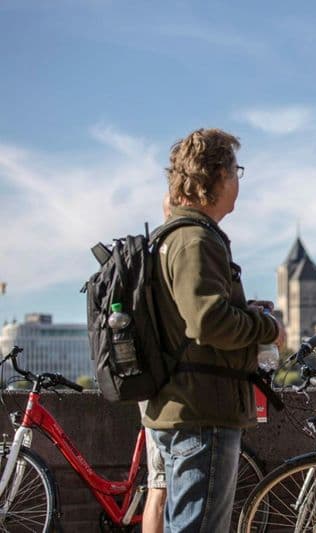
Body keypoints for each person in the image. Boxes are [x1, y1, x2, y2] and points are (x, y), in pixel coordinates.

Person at [142, 128, 285, 532]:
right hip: (203, 411)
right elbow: (207, 322)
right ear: (218, 175)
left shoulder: (174, 237)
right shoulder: (195, 239)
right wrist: (267, 327)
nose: (238, 181)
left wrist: (242, 311)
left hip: (186, 407)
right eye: (237, 171)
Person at [137, 193, 173, 533]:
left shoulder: (150, 256)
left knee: (158, 484)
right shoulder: (172, 254)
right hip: (167, 388)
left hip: (150, 383)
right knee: (160, 488)